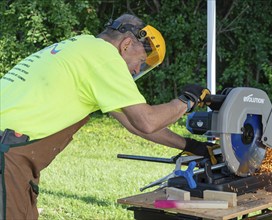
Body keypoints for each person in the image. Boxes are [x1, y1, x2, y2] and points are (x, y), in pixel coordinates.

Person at [0, 13, 215, 219]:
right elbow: (147, 121)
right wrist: (187, 101)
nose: (138, 69)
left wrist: (190, 145)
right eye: (141, 61)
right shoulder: (105, 57)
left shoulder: (83, 48)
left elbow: (135, 124)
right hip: (8, 151)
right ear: (127, 44)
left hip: (12, 149)